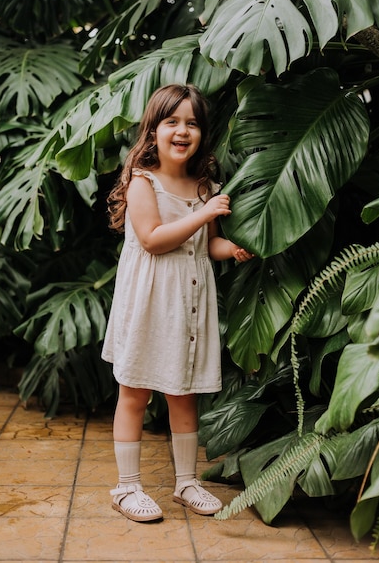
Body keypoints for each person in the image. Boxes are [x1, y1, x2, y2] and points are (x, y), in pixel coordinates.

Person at [101, 83, 253, 522]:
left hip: (188, 302)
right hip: (151, 302)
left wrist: (235, 248)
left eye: (192, 123)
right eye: (172, 121)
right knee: (134, 392)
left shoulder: (203, 184)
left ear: (202, 133)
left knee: (183, 393)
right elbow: (151, 240)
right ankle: (126, 487)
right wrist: (203, 214)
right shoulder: (142, 182)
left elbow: (207, 246)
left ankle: (186, 482)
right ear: (153, 131)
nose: (182, 130)